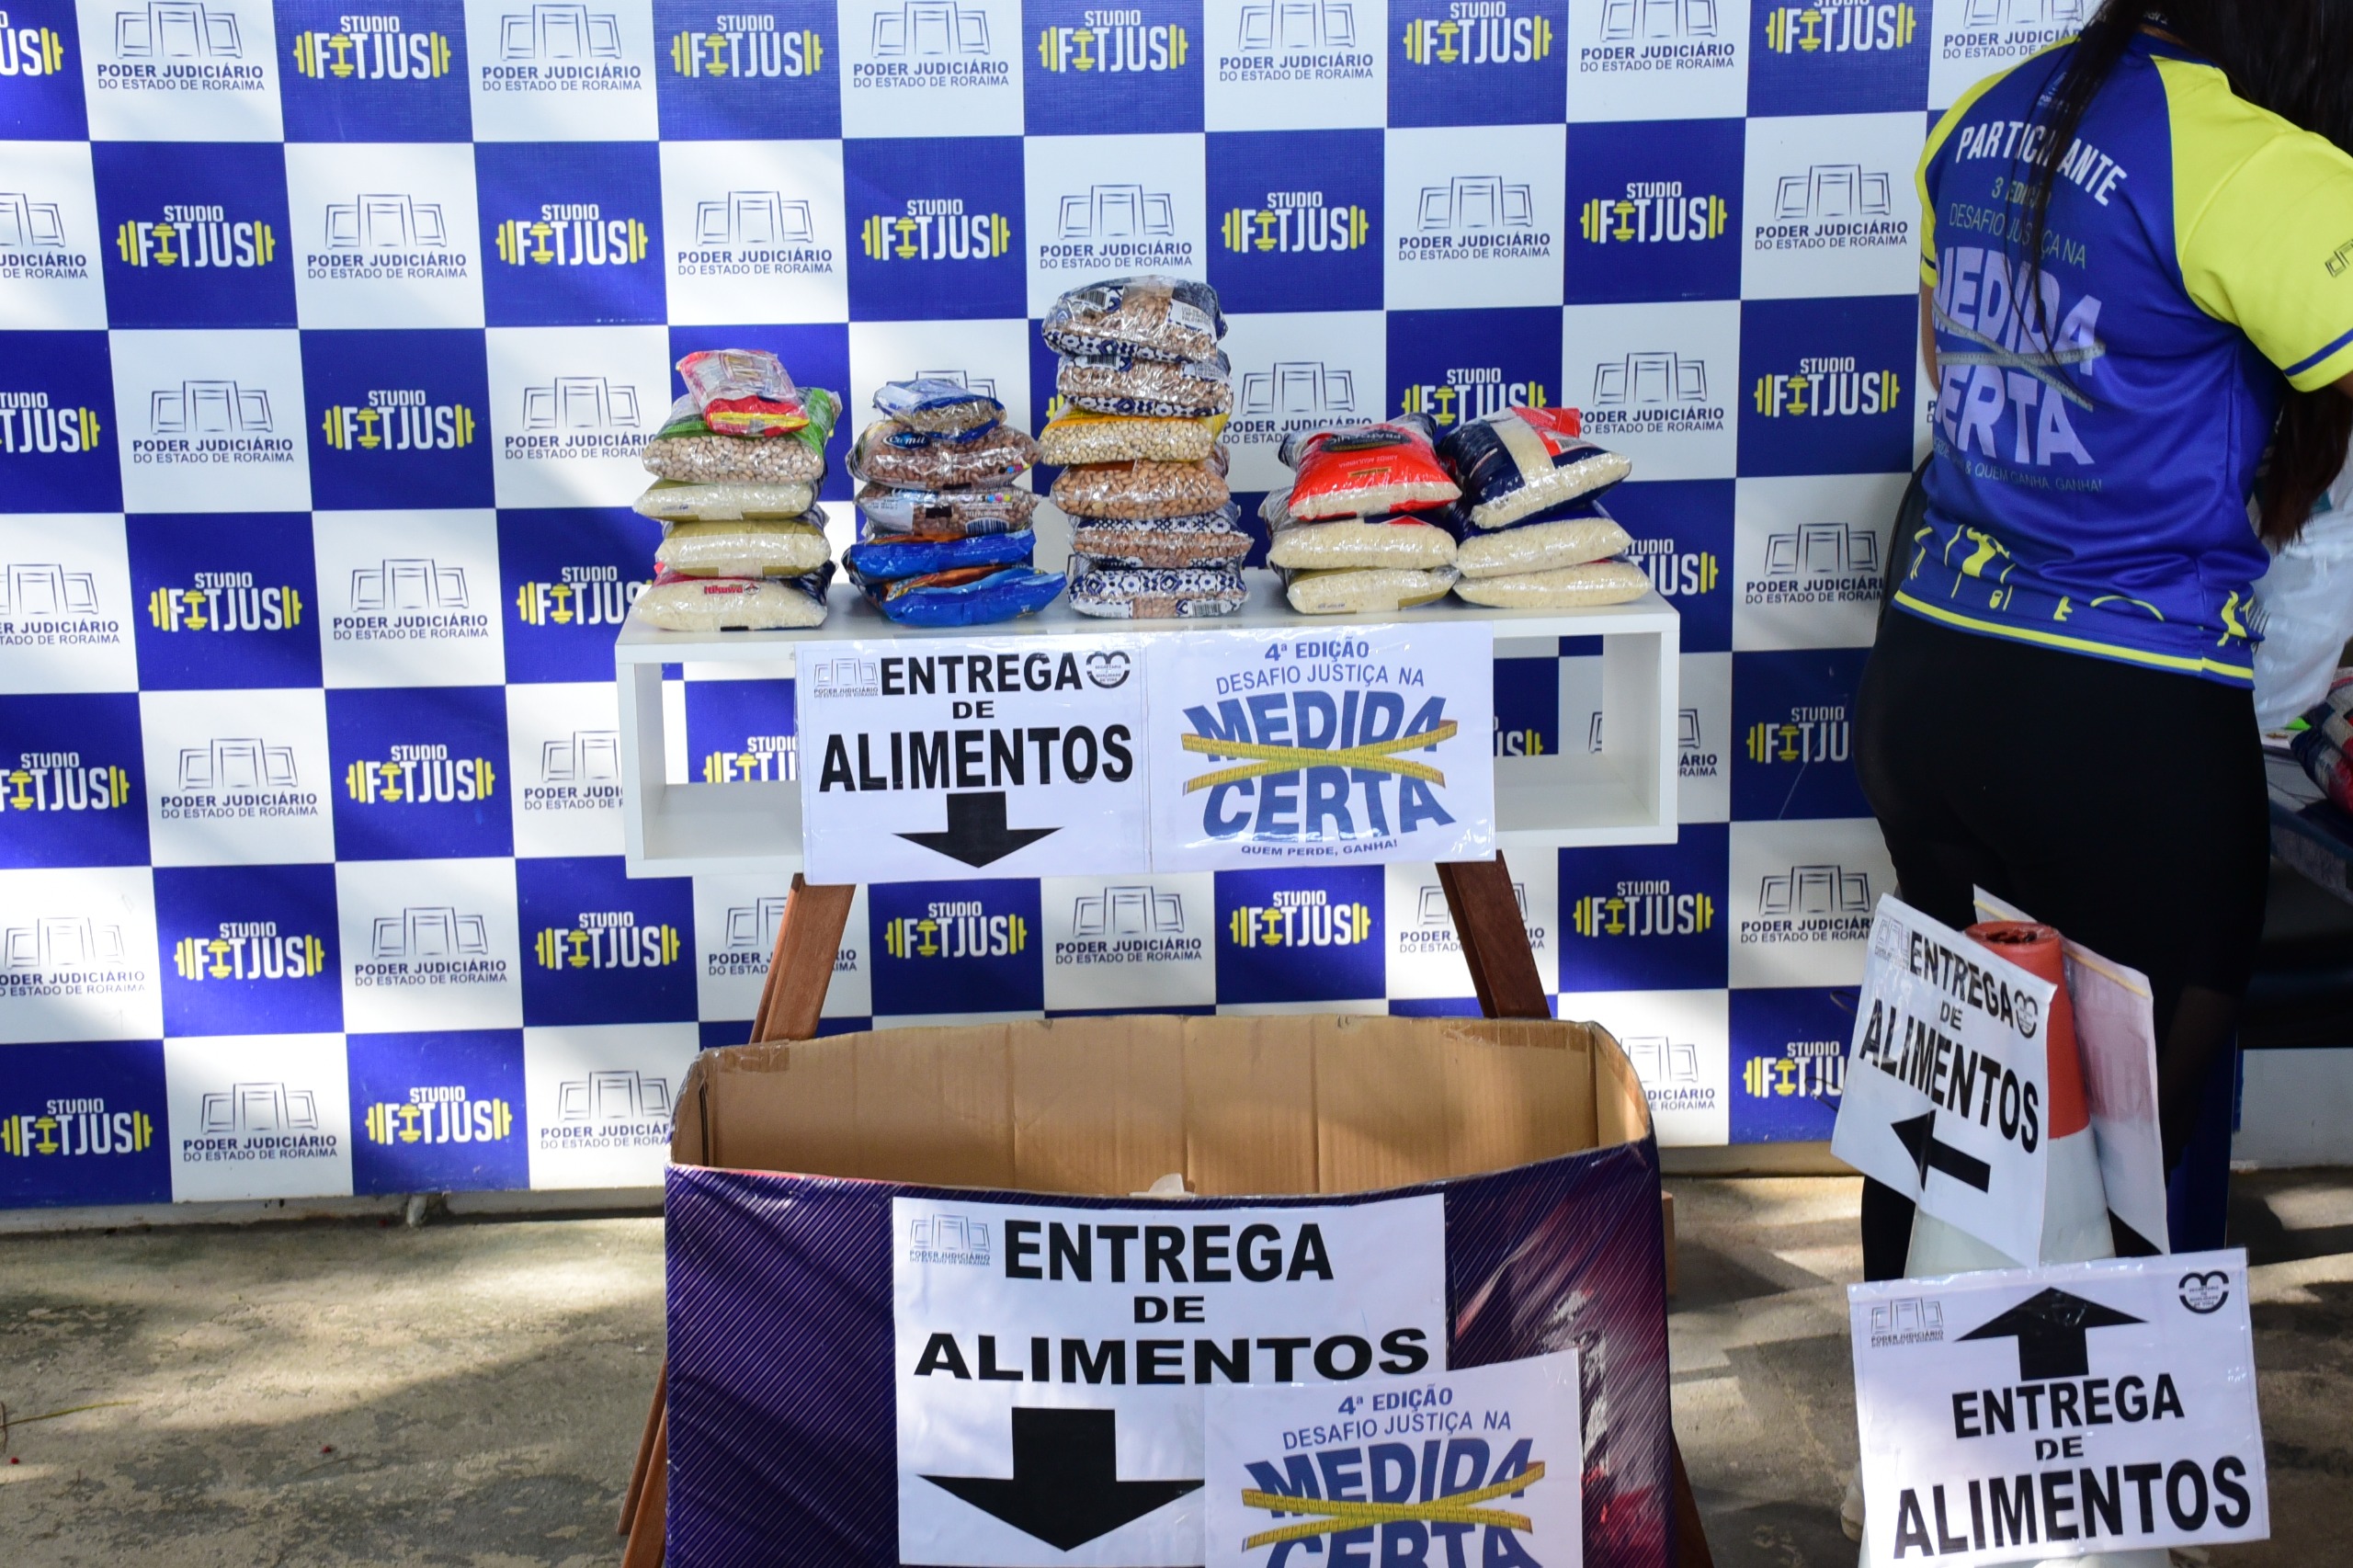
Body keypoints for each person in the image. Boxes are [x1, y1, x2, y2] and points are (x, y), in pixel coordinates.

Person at [1858, 0, 2353, 1284]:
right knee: (2122, 1199)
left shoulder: (1982, 117)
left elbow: (1945, 367)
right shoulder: (2249, 159)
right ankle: (2056, 1472)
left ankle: (1926, 1465)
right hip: (2128, 730)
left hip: (1933, 677)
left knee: (1950, 1130)